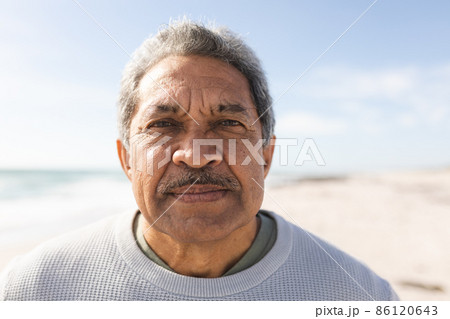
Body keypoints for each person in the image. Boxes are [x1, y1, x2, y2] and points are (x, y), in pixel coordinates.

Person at [0, 19, 398, 301]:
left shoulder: (362, 296)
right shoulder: (32, 290)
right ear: (126, 160)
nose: (195, 155)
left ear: (266, 156)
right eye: (163, 124)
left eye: (227, 123)